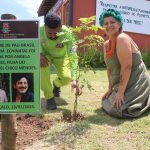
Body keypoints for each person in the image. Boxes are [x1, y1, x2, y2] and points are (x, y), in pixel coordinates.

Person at [99, 9, 150, 118]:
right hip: (122, 82)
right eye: (106, 23)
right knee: (106, 101)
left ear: (120, 23)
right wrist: (110, 89)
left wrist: (120, 93)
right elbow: (109, 69)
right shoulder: (106, 44)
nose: (109, 25)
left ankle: (143, 96)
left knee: (116, 110)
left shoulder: (122, 39)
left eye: (112, 22)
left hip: (136, 81)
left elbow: (127, 67)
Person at [40, 13, 81, 110]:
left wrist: (74, 79)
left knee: (66, 78)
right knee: (43, 72)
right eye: (49, 33)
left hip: (61, 57)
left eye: (57, 33)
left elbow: (73, 55)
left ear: (61, 26)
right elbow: (33, 43)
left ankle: (56, 84)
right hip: (45, 56)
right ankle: (49, 98)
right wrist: (39, 54)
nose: (53, 36)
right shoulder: (39, 29)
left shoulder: (68, 33)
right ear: (45, 26)